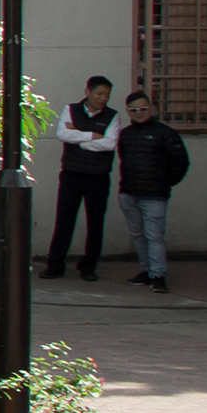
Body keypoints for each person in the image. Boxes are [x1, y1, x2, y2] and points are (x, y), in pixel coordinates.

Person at [45, 72, 120, 280]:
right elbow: (62, 134)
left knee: (95, 223)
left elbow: (110, 144)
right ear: (87, 92)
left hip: (98, 177)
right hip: (71, 175)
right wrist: (92, 136)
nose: (103, 98)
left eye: (106, 94)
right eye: (99, 93)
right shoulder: (70, 110)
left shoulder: (113, 116)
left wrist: (78, 138)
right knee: (64, 221)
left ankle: (89, 267)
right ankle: (55, 264)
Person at [117, 89, 191, 292]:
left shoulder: (166, 133)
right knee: (138, 236)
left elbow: (181, 163)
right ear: (128, 111)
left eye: (143, 108)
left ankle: (158, 275)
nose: (139, 112)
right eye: (134, 109)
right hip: (128, 193)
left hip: (155, 196)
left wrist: (164, 183)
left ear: (151, 108)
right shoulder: (125, 134)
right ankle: (147, 271)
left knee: (154, 236)